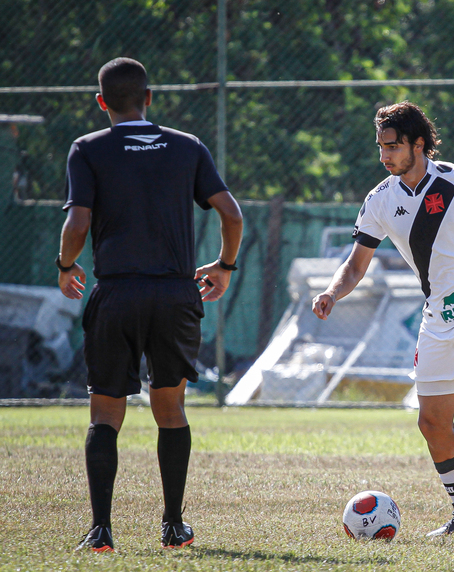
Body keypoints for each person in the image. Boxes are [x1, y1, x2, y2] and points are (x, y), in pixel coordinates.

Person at [312, 101, 454, 536]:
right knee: (431, 420)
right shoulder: (380, 200)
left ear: (418, 144)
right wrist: (332, 292)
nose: (385, 155)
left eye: (393, 146)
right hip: (439, 310)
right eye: (381, 147)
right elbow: (356, 265)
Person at [59, 57, 243, 552]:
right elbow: (231, 214)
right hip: (174, 295)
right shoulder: (187, 146)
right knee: (170, 407)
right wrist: (225, 265)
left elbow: (78, 223)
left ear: (102, 102)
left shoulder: (88, 148)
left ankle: (101, 530)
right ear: (149, 98)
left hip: (116, 293)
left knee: (105, 413)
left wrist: (65, 265)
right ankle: (173, 526)